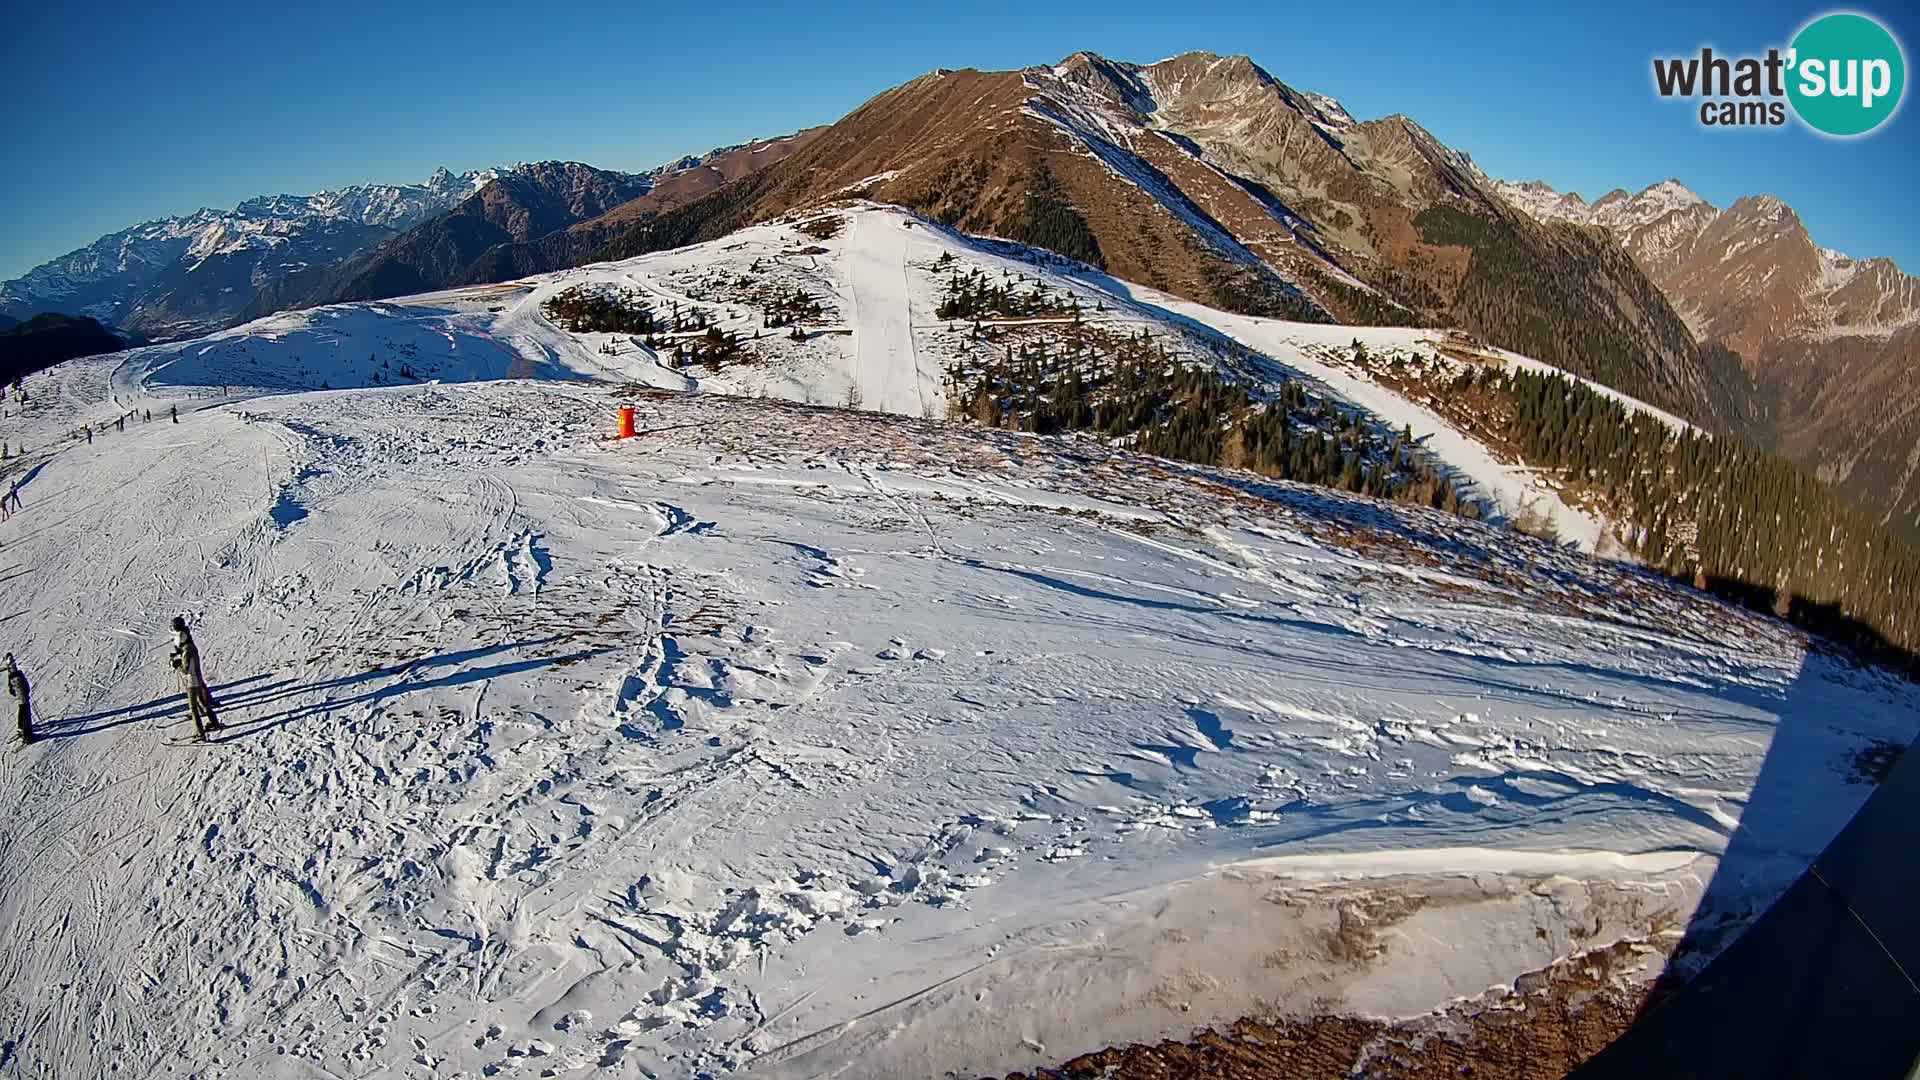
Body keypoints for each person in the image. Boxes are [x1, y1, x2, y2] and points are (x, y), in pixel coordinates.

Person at [169, 616, 223, 740]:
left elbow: (186, 669)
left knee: (193, 708)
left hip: (192, 681)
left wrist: (177, 665)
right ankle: (214, 721)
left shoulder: (186, 651)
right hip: (197, 678)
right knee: (203, 702)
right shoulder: (189, 646)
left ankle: (200, 732)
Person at [5, 655, 32, 746]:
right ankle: (27, 735)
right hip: (23, 696)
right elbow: (25, 684)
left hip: (21, 697)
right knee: (25, 714)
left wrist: (16, 692)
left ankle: (21, 728)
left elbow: (11, 691)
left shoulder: (11, 676)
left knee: (22, 711)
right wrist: (26, 691)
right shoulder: (18, 674)